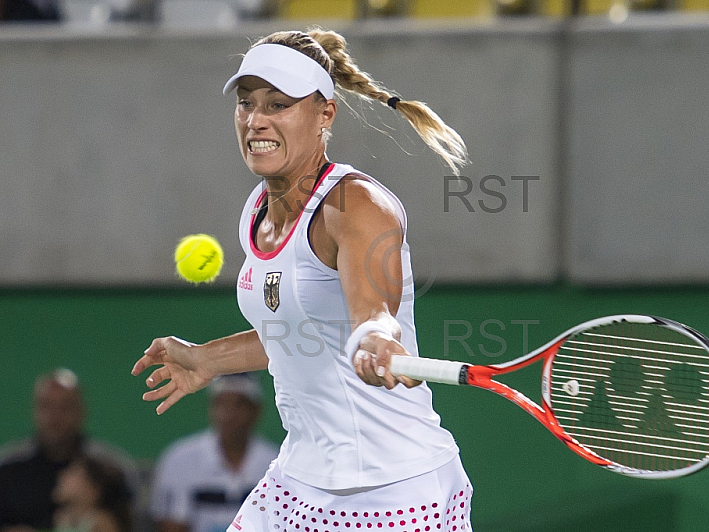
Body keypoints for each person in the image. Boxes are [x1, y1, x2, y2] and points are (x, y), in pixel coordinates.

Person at [131, 28, 473, 531]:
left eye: (278, 104)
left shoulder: (358, 206)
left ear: (325, 113)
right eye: (246, 103)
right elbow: (298, 329)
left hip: (393, 491)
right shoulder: (258, 210)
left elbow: (373, 310)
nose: (256, 120)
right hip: (297, 480)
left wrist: (376, 339)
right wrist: (208, 359)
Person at [0, 369, 140, 532]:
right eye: (47, 406)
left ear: (81, 410)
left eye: (64, 406)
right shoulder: (8, 468)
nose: (54, 416)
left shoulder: (111, 469)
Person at [149, 373, 279, 532]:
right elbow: (171, 525)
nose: (228, 414)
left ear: (256, 410)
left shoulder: (278, 463)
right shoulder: (180, 460)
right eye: (221, 404)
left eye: (239, 405)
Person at [52, 456, 132, 532]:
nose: (61, 474)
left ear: (93, 490)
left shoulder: (101, 522)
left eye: (73, 472)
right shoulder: (61, 518)